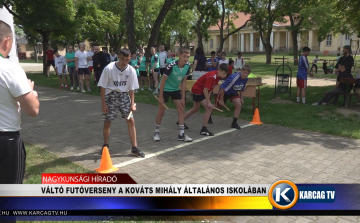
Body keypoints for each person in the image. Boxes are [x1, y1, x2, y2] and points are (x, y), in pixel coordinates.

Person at [0, 20, 40, 184]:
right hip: (6, 139)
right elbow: (32, 110)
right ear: (7, 41)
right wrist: (31, 92)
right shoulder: (9, 69)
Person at [97, 48, 145, 158]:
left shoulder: (131, 70)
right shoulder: (109, 68)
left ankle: (134, 148)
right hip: (110, 95)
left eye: (127, 60)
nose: (125, 62)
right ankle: (105, 146)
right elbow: (103, 87)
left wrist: (132, 103)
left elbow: (132, 89)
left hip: (124, 96)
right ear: (118, 56)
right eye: (123, 59)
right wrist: (103, 104)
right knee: (107, 121)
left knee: (131, 120)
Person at [153, 48, 192, 142]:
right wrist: (161, 96)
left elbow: (183, 82)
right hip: (165, 89)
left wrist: (183, 97)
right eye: (184, 56)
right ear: (179, 55)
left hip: (175, 89)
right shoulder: (171, 65)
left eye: (188, 57)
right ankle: (156, 132)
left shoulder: (188, 65)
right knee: (161, 112)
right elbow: (162, 81)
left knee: (181, 109)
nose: (186, 59)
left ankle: (181, 134)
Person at [183, 63, 228, 136]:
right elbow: (205, 90)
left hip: (200, 91)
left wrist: (208, 101)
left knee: (195, 109)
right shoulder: (212, 76)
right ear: (219, 71)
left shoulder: (217, 77)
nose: (225, 76)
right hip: (198, 90)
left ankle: (181, 121)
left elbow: (209, 90)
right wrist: (208, 102)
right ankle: (204, 129)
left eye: (226, 74)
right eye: (224, 73)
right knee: (209, 109)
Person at [216, 65, 251, 129]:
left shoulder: (245, 79)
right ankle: (209, 114)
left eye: (247, 73)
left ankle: (234, 123)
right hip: (224, 91)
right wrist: (221, 100)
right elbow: (223, 88)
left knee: (238, 104)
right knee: (218, 105)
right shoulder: (234, 78)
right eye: (244, 72)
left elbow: (242, 88)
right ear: (241, 71)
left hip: (233, 92)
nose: (245, 74)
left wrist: (241, 98)